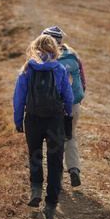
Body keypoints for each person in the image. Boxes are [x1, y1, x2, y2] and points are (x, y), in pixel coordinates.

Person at [13, 34, 74, 219]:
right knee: (55, 163)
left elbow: (18, 99)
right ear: (54, 48)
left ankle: (36, 190)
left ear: (34, 47)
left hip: (33, 119)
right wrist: (67, 117)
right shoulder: (59, 68)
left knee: (35, 156)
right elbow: (69, 97)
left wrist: (18, 121)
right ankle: (50, 207)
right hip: (55, 120)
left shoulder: (27, 69)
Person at [42, 26, 85, 187]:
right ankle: (74, 169)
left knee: (54, 141)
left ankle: (57, 178)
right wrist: (78, 101)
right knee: (70, 136)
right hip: (73, 104)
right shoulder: (72, 55)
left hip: (53, 107)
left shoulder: (43, 58)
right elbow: (82, 80)